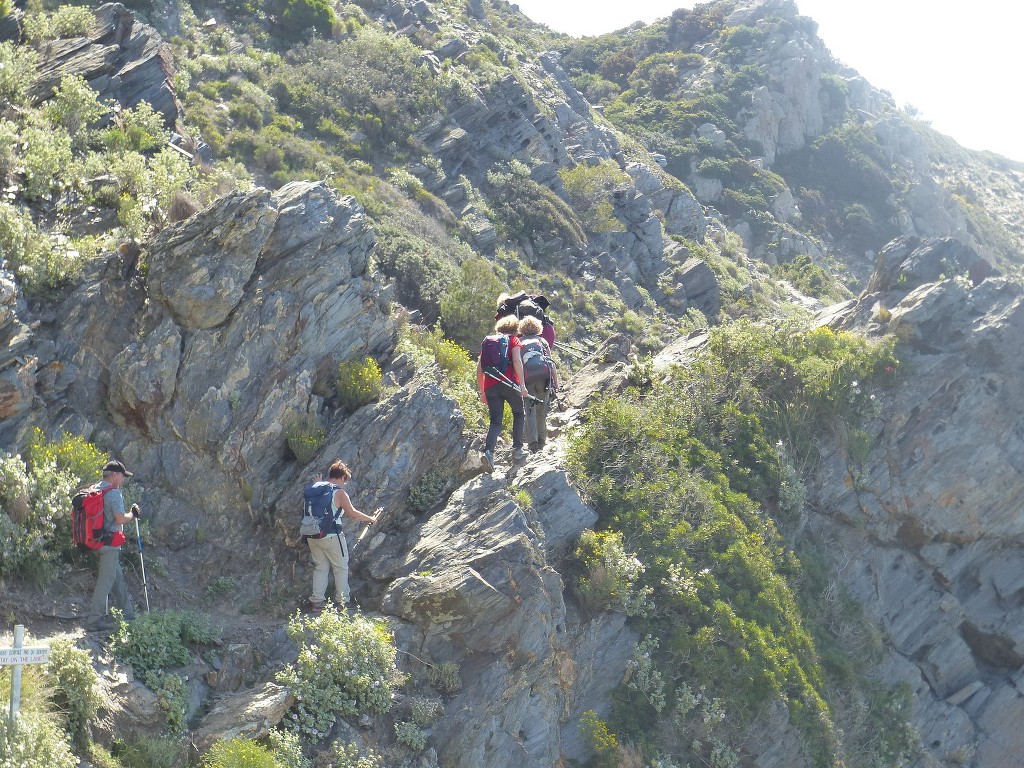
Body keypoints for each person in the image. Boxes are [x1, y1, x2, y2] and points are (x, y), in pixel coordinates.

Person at [305, 460, 377, 613]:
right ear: (341, 477)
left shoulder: (316, 488)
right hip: (332, 535)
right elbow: (353, 514)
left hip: (311, 534)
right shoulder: (339, 492)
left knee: (321, 567)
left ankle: (317, 603)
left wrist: (318, 482)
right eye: (345, 480)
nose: (345, 484)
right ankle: (342, 603)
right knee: (341, 568)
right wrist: (370, 519)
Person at [85, 460, 139, 631]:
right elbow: (120, 519)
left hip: (95, 541)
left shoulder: (95, 489)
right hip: (109, 544)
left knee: (117, 578)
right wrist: (133, 514)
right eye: (122, 476)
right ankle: (94, 620)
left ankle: (129, 614)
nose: (123, 479)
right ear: (114, 475)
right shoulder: (113, 493)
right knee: (106, 580)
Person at [477, 314, 529, 472]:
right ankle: (517, 450)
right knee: (519, 414)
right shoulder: (513, 340)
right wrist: (523, 385)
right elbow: (516, 361)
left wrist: (482, 391)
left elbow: (479, 369)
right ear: (515, 328)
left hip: (491, 386)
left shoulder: (488, 342)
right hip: (510, 383)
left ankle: (489, 453)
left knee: (495, 422)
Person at [517, 315, 558, 452]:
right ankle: (542, 441)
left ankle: (532, 444)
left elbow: (517, 364)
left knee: (530, 412)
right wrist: (555, 383)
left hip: (527, 381)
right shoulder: (542, 341)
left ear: (522, 328)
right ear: (537, 327)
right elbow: (551, 364)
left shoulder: (518, 342)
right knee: (542, 411)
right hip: (544, 379)